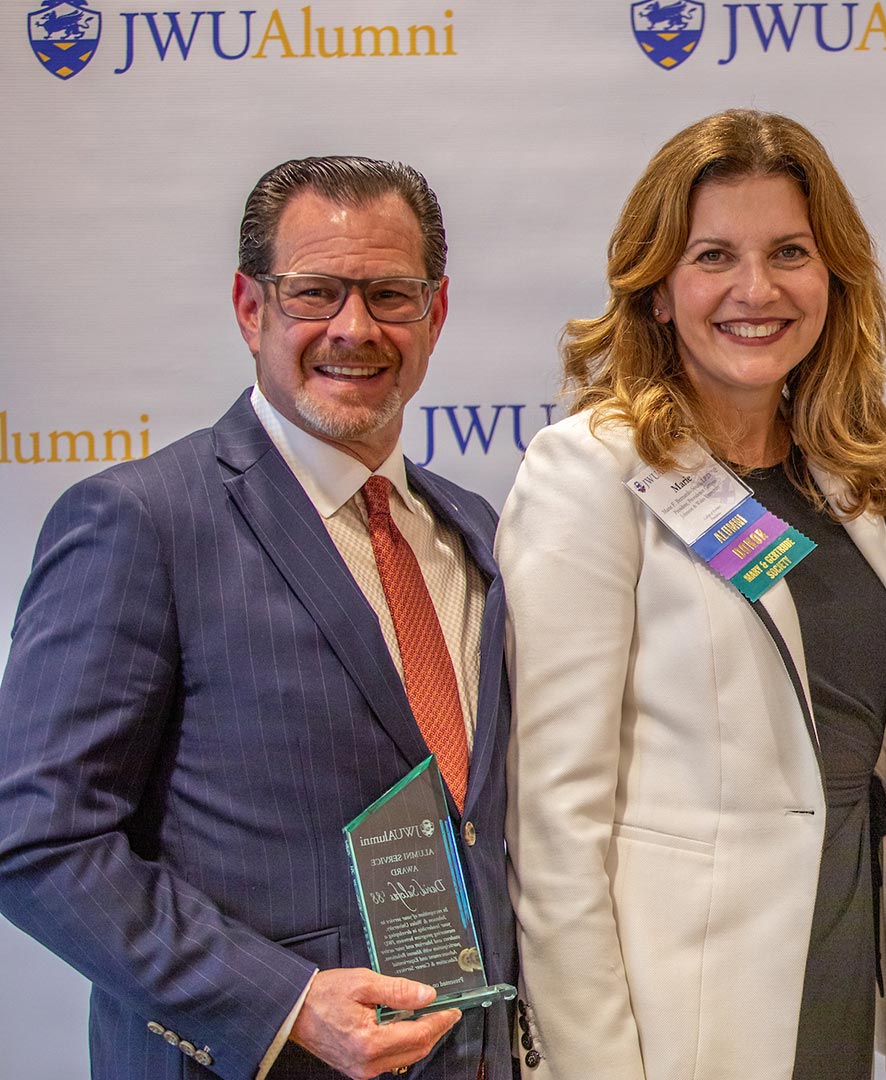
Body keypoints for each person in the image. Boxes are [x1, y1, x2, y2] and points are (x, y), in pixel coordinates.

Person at [0, 156, 517, 1078]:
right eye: (315, 291)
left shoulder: (476, 531)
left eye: (391, 295)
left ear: (435, 315)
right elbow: (38, 838)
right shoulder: (142, 522)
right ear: (251, 308)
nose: (354, 328)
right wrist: (284, 1004)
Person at [497, 109, 886, 1080]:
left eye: (790, 251)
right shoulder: (591, 474)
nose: (757, 289)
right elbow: (551, 821)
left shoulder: (857, 481)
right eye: (714, 256)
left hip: (854, 976)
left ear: (835, 278)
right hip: (682, 1017)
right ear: (658, 289)